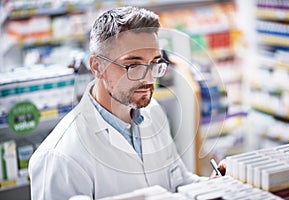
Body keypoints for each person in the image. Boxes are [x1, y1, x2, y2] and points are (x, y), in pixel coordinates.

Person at [29, 6, 225, 200]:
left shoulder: (153, 111)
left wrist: (214, 185)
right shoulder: (59, 156)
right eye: (133, 65)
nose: (148, 79)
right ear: (97, 67)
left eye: (155, 63)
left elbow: (178, 183)